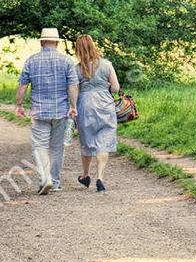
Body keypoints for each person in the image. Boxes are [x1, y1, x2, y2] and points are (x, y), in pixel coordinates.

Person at [15, 28, 79, 194]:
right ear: (57, 42)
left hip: (39, 111)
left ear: (42, 42)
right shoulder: (66, 61)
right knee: (57, 148)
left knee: (40, 146)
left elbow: (23, 84)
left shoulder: (31, 60)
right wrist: (74, 106)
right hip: (60, 111)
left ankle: (45, 178)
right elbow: (73, 86)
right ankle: (55, 182)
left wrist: (19, 105)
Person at [74, 34, 120, 193]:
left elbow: (75, 91)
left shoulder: (77, 68)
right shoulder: (106, 64)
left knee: (87, 141)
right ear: (93, 46)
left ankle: (86, 175)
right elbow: (115, 89)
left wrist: (73, 109)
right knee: (104, 139)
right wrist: (105, 85)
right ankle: (100, 177)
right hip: (104, 104)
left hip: (85, 105)